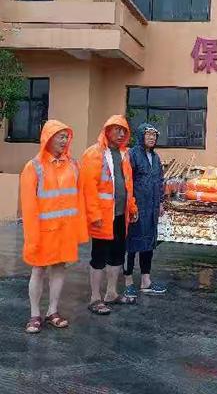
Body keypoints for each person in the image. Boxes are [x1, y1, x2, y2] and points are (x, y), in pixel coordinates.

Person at [20, 120, 88, 333]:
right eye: (60, 136)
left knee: (59, 268)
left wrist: (79, 230)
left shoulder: (74, 165)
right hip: (42, 232)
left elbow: (79, 200)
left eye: (66, 136)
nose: (65, 140)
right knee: (38, 271)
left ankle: (52, 311)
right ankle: (34, 315)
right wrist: (32, 238)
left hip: (65, 231)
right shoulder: (34, 167)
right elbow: (29, 207)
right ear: (48, 139)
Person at [81, 115, 138, 315]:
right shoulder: (94, 154)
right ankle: (95, 298)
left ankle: (111, 293)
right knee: (98, 256)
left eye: (124, 130)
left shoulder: (124, 155)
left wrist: (131, 207)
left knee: (117, 256)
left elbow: (127, 186)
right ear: (107, 130)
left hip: (121, 216)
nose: (121, 134)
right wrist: (94, 214)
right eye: (117, 129)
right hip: (102, 217)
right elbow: (88, 188)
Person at [123, 124, 166, 298]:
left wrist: (161, 202)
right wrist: (131, 205)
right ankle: (128, 281)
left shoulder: (155, 158)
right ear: (141, 136)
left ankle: (145, 281)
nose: (151, 138)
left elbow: (160, 181)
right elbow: (127, 182)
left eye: (154, 136)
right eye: (148, 135)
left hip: (152, 208)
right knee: (132, 244)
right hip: (136, 207)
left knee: (148, 244)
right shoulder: (132, 155)